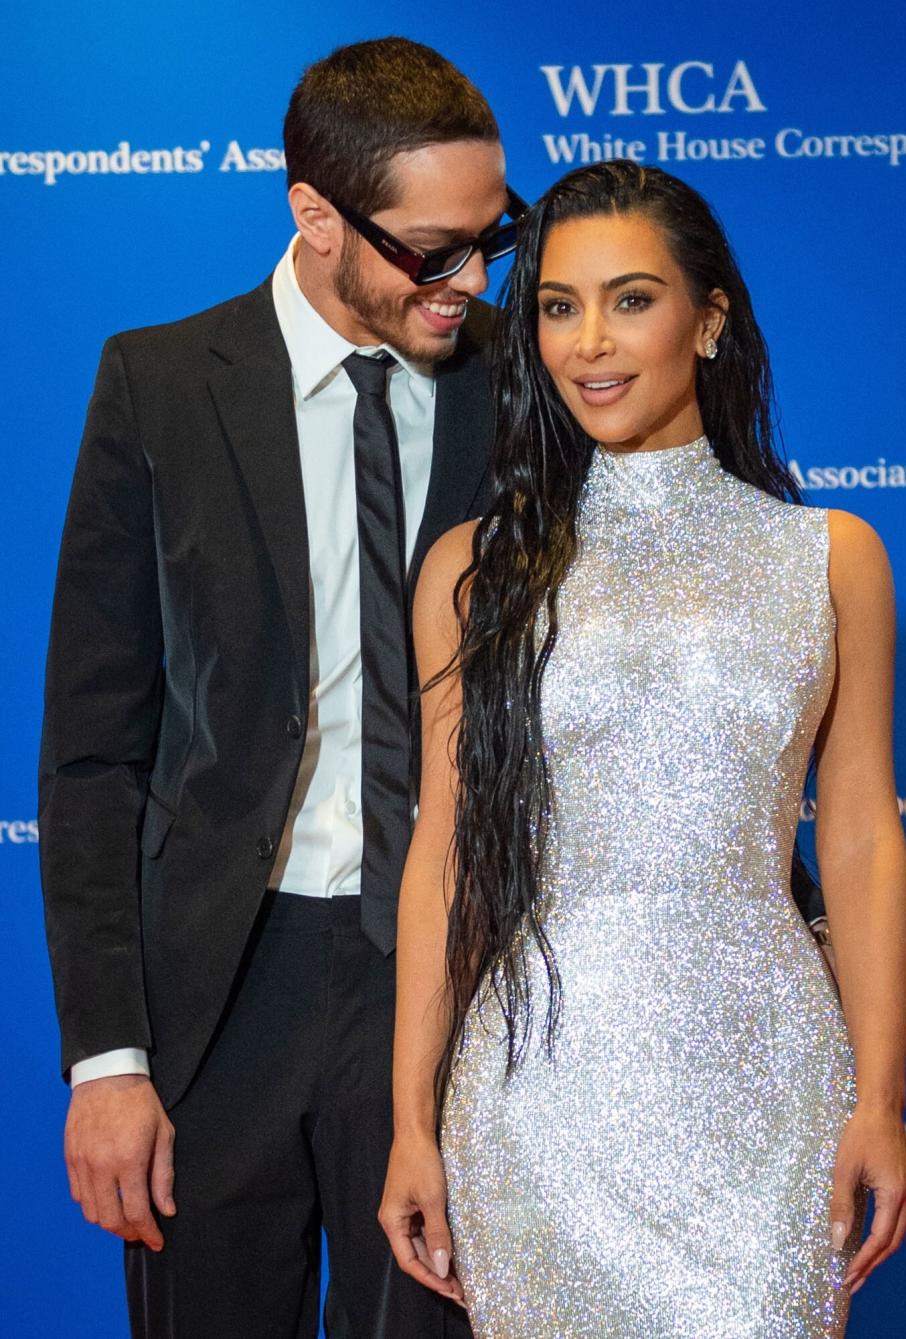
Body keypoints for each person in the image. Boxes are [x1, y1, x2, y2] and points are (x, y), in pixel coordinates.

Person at [38, 36, 524, 1339]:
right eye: (432, 248)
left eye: (493, 235)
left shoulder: (525, 380)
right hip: (215, 996)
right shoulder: (157, 384)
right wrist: (108, 1060)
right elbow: (92, 751)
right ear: (314, 215)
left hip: (441, 977)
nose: (471, 278)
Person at [379, 161, 906, 1337]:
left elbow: (867, 837)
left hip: (770, 1098)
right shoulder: (476, 574)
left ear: (709, 317)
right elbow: (443, 860)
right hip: (539, 1098)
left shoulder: (830, 557)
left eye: (630, 298)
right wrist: (413, 1123)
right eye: (559, 306)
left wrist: (879, 1098)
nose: (589, 342)